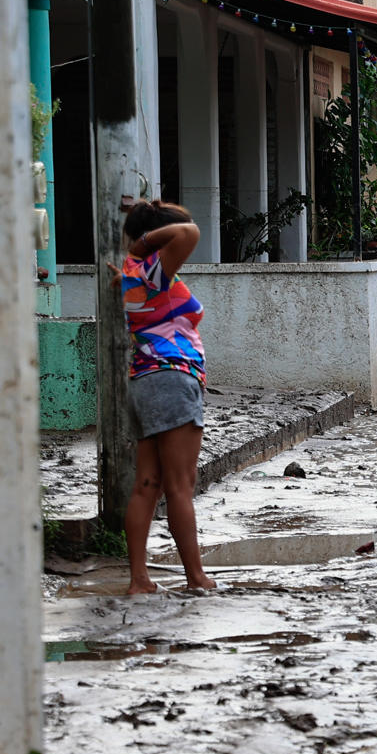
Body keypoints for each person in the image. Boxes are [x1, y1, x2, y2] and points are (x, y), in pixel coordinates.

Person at [119, 201, 215, 596]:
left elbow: (184, 227)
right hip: (172, 378)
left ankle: (140, 578)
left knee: (148, 484)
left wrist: (139, 246)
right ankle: (195, 577)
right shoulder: (152, 269)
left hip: (145, 380)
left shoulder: (133, 273)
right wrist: (144, 243)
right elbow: (190, 231)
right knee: (179, 485)